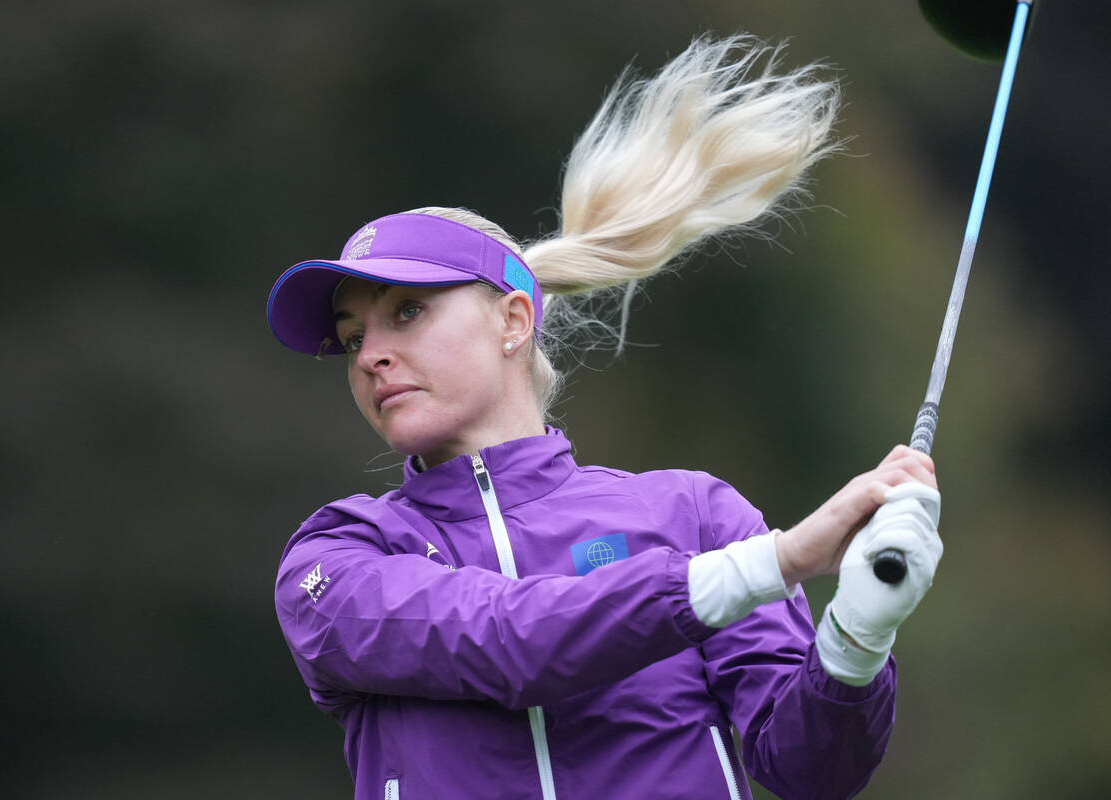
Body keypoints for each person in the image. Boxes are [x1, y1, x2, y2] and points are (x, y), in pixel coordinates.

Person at [269, 36, 943, 800]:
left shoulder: (692, 516)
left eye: (408, 312)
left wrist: (856, 635)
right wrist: (775, 564)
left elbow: (810, 771)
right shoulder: (337, 556)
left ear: (514, 322)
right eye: (354, 338)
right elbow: (507, 644)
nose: (370, 356)